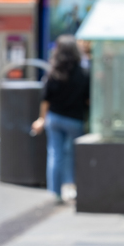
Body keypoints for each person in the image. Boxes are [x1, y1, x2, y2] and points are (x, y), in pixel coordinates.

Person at [32, 34, 90, 202]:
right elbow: (88, 99)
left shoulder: (53, 72)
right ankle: (73, 187)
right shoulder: (83, 73)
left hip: (55, 119)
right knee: (74, 154)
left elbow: (46, 100)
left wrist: (41, 119)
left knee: (55, 154)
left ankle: (55, 192)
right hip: (75, 119)